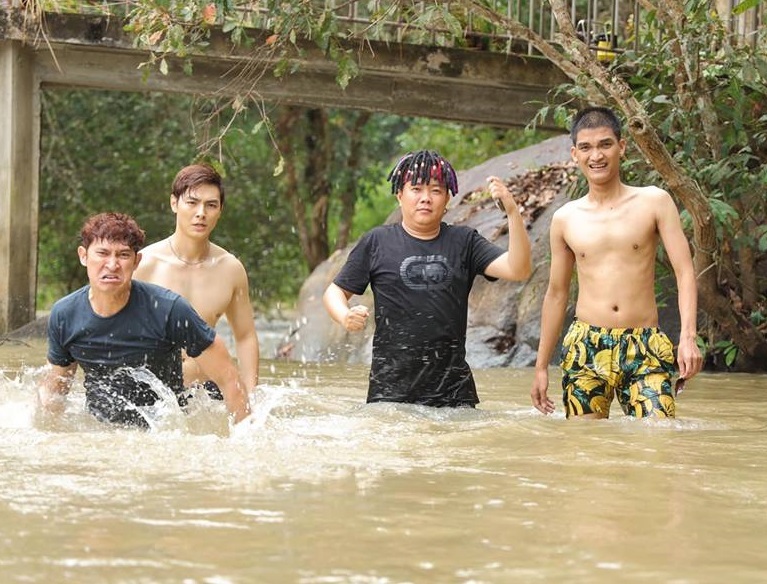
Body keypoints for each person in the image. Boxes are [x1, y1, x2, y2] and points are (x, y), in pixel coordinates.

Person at [530, 106, 703, 419]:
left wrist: (688, 337)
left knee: (658, 442)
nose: (596, 155)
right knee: (586, 451)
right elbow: (556, 294)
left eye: (605, 144)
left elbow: (685, 271)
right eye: (586, 147)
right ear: (574, 154)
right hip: (586, 346)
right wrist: (541, 367)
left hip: (645, 345)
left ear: (621, 147)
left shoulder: (654, 202)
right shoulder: (565, 219)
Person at [323, 150, 532, 408]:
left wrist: (512, 212)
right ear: (400, 195)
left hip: (454, 395)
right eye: (416, 189)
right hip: (390, 394)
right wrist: (344, 316)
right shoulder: (377, 242)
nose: (425, 198)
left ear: (447, 200)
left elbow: (518, 269)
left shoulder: (464, 242)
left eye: (435, 190)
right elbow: (334, 292)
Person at [38, 212, 251, 428]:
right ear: (83, 256)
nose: (112, 265)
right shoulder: (65, 314)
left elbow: (228, 378)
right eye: (102, 253)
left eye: (123, 255)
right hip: (100, 430)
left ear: (137, 261)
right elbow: (54, 392)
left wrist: (246, 438)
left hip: (168, 429)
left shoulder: (169, 309)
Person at [133, 164, 259, 399]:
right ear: (174, 204)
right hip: (155, 395)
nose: (201, 212)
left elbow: (245, 336)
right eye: (192, 202)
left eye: (211, 205)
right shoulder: (144, 264)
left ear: (220, 210)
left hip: (206, 394)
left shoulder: (230, 269)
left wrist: (252, 394)